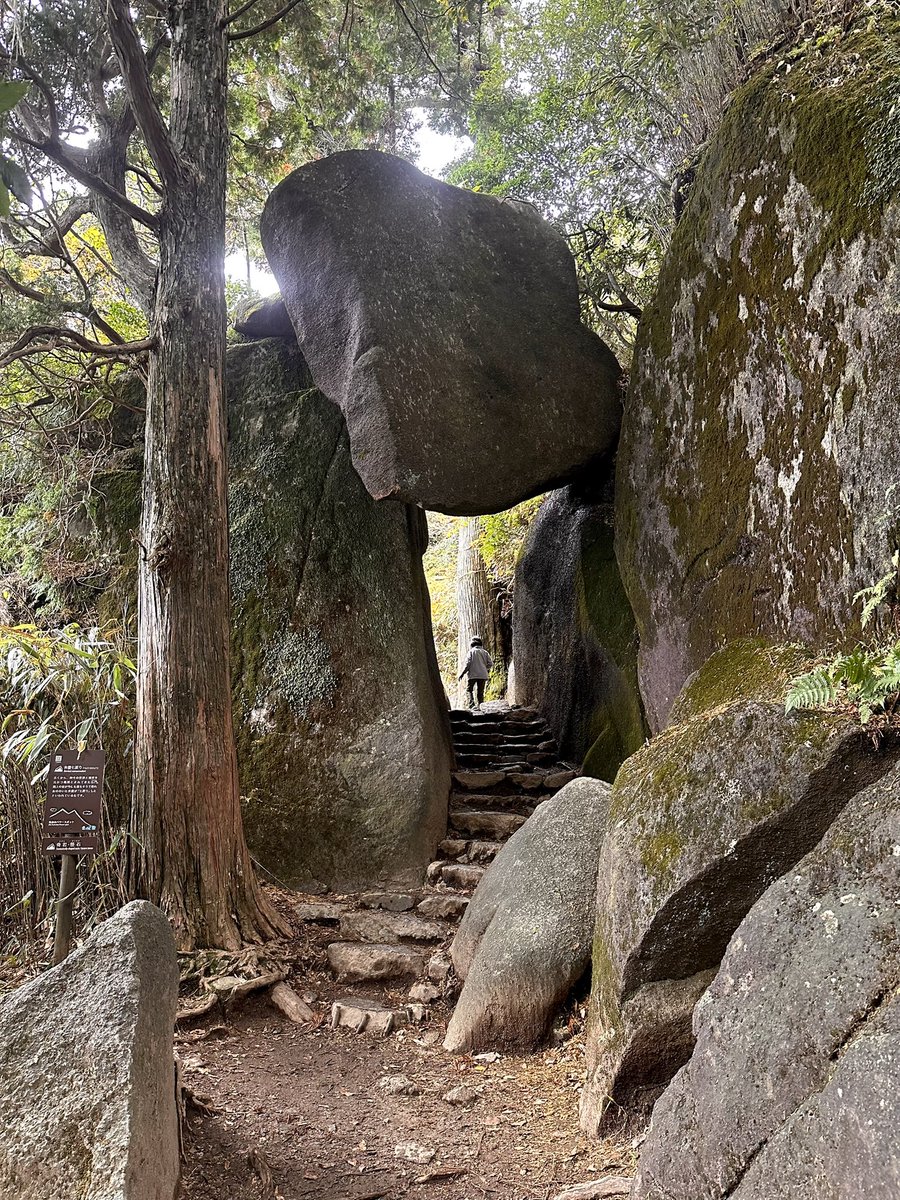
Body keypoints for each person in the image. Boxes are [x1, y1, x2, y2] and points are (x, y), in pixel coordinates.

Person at [458, 636, 493, 709]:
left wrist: (462, 674)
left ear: (472, 644)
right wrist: (484, 668)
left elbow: (468, 664)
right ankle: (481, 706)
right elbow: (490, 664)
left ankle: (472, 704)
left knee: (469, 690)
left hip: (472, 675)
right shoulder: (485, 652)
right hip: (483, 675)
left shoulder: (471, 652)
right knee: (480, 692)